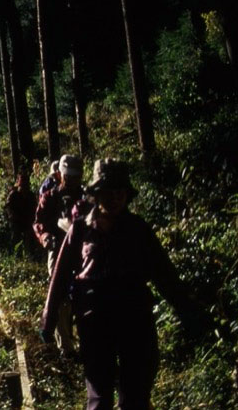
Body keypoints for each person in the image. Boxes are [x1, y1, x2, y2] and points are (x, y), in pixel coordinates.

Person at [40, 159, 207, 410]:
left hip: (135, 318)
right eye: (108, 192)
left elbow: (165, 275)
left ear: (127, 195)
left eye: (120, 192)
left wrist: (190, 313)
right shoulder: (80, 230)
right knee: (99, 396)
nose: (115, 198)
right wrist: (48, 319)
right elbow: (61, 275)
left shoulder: (138, 230)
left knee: (136, 394)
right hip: (94, 320)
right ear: (96, 194)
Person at [33, 154, 87, 353]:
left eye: (76, 176)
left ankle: (86, 339)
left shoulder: (86, 196)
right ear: (60, 175)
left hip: (83, 252)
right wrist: (45, 236)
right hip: (58, 249)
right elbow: (39, 222)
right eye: (69, 176)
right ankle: (66, 344)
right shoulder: (50, 196)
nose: (72, 180)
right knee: (60, 295)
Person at [4, 173, 38, 254]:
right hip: (16, 220)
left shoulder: (31, 195)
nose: (25, 187)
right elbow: (8, 207)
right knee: (16, 237)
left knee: (29, 238)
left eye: (26, 184)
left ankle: (29, 254)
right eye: (23, 184)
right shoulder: (13, 194)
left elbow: (35, 208)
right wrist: (12, 217)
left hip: (27, 220)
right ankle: (16, 254)